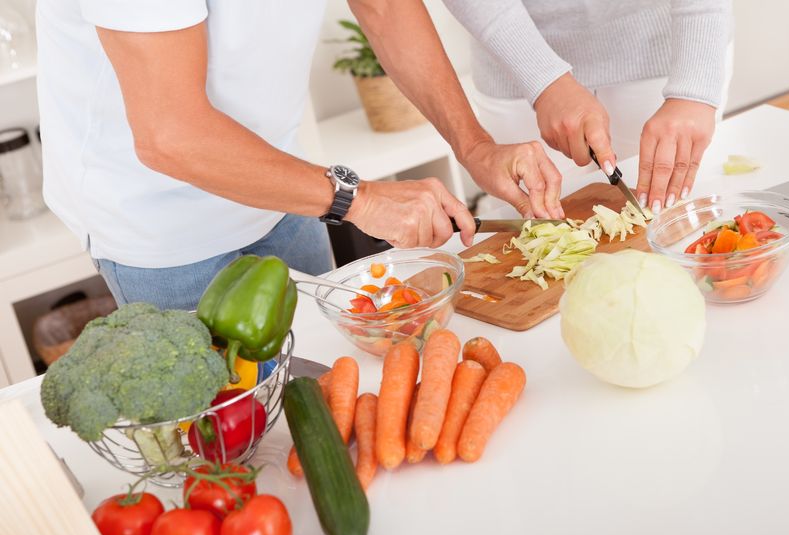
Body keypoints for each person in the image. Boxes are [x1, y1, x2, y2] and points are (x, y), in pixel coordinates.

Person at [36, 1, 564, 310]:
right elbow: (171, 135)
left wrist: (473, 146)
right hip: (162, 227)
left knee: (318, 400)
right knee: (227, 455)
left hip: (285, 183)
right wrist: (361, 201)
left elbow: (386, 7)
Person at [443, 0, 733, 215]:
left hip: (672, 54)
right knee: (536, 234)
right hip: (512, 57)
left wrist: (695, 87)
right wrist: (543, 80)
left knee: (683, 225)